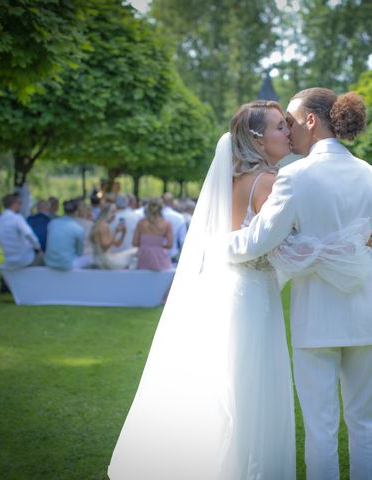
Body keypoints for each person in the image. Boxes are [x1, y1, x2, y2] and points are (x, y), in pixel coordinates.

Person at [110, 100, 299, 478]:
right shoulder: (269, 182)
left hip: (226, 290)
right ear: (259, 140)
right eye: (281, 126)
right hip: (255, 296)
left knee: (226, 384)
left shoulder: (228, 182)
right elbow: (283, 244)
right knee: (252, 388)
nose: (289, 132)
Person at [226, 89, 372, 479]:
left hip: (316, 318)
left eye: (294, 122)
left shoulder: (295, 176)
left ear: (312, 121)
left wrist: (216, 244)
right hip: (367, 315)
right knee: (367, 423)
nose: (290, 130)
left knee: (321, 427)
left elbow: (258, 241)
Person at [0, 193, 43, 269]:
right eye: (19, 203)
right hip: (25, 259)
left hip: (9, 260)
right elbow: (29, 234)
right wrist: (38, 247)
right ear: (14, 204)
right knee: (44, 258)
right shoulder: (17, 218)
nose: (19, 205)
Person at [44, 199, 90, 270]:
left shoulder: (52, 223)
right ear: (76, 212)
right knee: (90, 259)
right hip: (67, 265)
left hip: (49, 262)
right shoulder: (78, 228)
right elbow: (79, 252)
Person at [91, 203, 137, 269]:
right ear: (106, 212)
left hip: (103, 258)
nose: (114, 215)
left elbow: (117, 244)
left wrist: (123, 233)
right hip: (105, 259)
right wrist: (115, 232)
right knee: (136, 250)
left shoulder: (102, 224)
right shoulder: (103, 225)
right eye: (112, 212)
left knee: (134, 251)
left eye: (115, 212)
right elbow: (105, 246)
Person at [132, 197, 173, 271]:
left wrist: (145, 244)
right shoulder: (167, 224)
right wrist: (157, 245)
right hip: (159, 257)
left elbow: (134, 242)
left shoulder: (141, 223)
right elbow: (170, 245)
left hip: (143, 256)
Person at [162, 192, 187, 262]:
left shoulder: (156, 217)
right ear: (172, 202)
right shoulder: (180, 218)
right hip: (173, 254)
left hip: (157, 254)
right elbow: (183, 240)